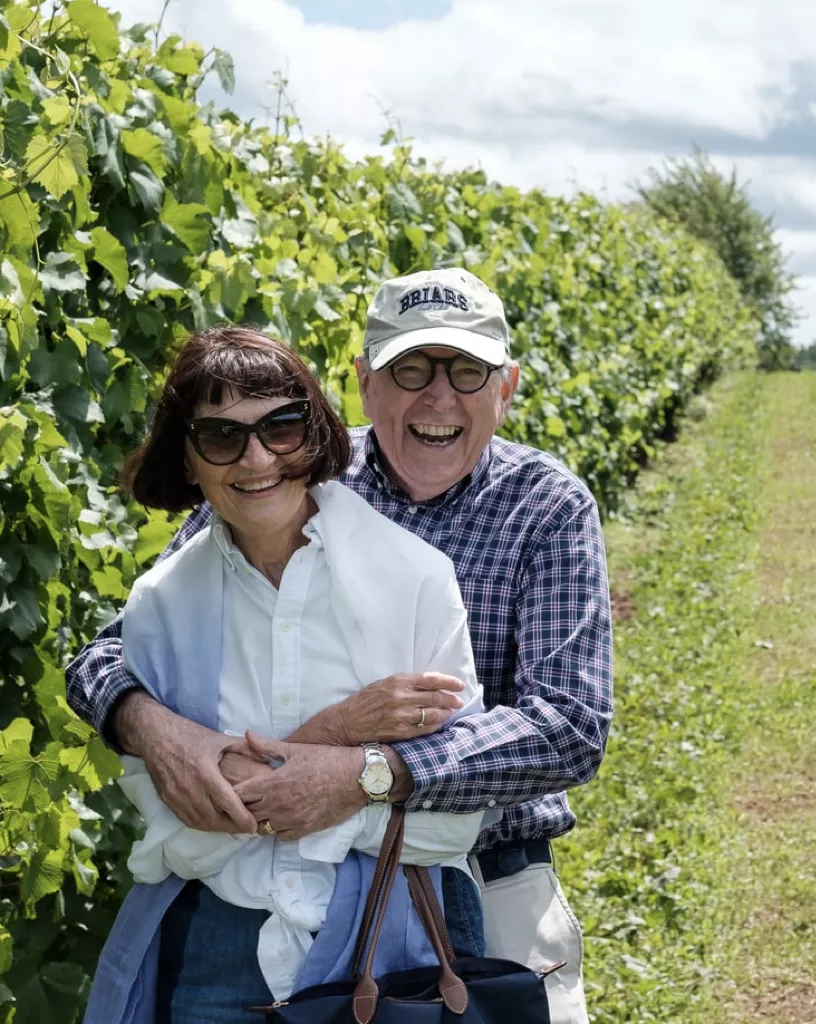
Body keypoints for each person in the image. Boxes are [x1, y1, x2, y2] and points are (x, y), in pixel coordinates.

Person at [67, 267, 614, 1024]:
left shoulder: (545, 505)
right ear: (363, 383)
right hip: (271, 877)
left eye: (467, 371)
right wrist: (153, 727)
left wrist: (366, 770)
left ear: (507, 386)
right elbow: (110, 653)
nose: (438, 397)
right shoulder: (288, 466)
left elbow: (570, 729)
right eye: (410, 369)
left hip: (485, 876)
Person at [82, 326, 487, 1024]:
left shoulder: (416, 579)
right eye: (221, 438)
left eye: (282, 427)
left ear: (316, 434)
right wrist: (341, 739)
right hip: (218, 957)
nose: (257, 457)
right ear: (187, 458)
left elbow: (452, 825)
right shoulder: (160, 607)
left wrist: (255, 789)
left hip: (389, 951)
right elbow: (175, 833)